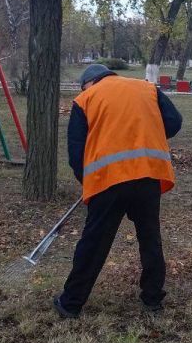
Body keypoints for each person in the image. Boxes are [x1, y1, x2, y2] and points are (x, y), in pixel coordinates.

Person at [54, 64, 182, 320]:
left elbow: (76, 153)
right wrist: (149, 133)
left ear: (88, 83)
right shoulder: (146, 89)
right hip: (148, 175)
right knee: (150, 238)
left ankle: (71, 304)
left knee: (94, 242)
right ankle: (153, 299)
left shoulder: (85, 99)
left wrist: (87, 181)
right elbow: (174, 122)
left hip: (108, 182)